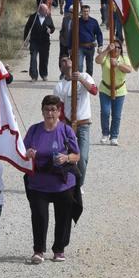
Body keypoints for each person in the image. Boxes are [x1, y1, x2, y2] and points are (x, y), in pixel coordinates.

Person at [23, 96, 80, 265]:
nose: (50, 113)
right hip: (38, 182)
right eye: (47, 109)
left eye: (53, 109)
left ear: (59, 112)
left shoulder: (66, 130)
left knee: (63, 217)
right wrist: (28, 154)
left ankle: (59, 249)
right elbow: (22, 152)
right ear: (42, 111)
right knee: (39, 216)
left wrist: (66, 157)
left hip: (62, 182)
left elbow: (77, 155)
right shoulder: (34, 130)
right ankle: (38, 250)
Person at [52, 57, 96, 186]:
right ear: (61, 67)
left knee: (82, 157)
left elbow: (94, 91)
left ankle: (79, 185)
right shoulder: (60, 86)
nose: (67, 61)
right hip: (69, 124)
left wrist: (81, 80)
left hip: (84, 123)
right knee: (66, 156)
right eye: (63, 61)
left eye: (69, 59)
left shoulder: (85, 76)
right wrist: (63, 125)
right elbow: (58, 108)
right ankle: (66, 181)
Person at [96, 40, 134, 147]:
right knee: (105, 112)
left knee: (116, 115)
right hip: (105, 89)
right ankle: (105, 133)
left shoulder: (123, 59)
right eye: (115, 47)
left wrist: (117, 64)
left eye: (119, 47)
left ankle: (114, 136)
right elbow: (97, 60)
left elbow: (129, 69)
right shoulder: (106, 57)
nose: (116, 49)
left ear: (121, 50)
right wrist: (107, 50)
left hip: (119, 90)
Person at [22, 3, 57, 81]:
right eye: (46, 10)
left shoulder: (48, 17)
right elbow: (27, 28)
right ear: (40, 10)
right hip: (34, 41)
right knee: (33, 58)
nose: (47, 12)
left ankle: (44, 74)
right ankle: (34, 76)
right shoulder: (33, 17)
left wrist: (50, 30)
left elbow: (53, 28)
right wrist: (25, 40)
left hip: (45, 42)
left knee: (44, 59)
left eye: (47, 10)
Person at [76, 4, 103, 75]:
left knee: (90, 67)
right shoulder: (77, 22)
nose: (86, 13)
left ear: (89, 12)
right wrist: (70, 47)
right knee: (79, 66)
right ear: (81, 12)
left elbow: (99, 34)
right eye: (84, 11)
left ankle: (89, 82)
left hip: (90, 47)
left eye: (87, 11)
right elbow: (72, 34)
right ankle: (80, 82)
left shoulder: (94, 22)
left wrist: (100, 45)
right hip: (80, 47)